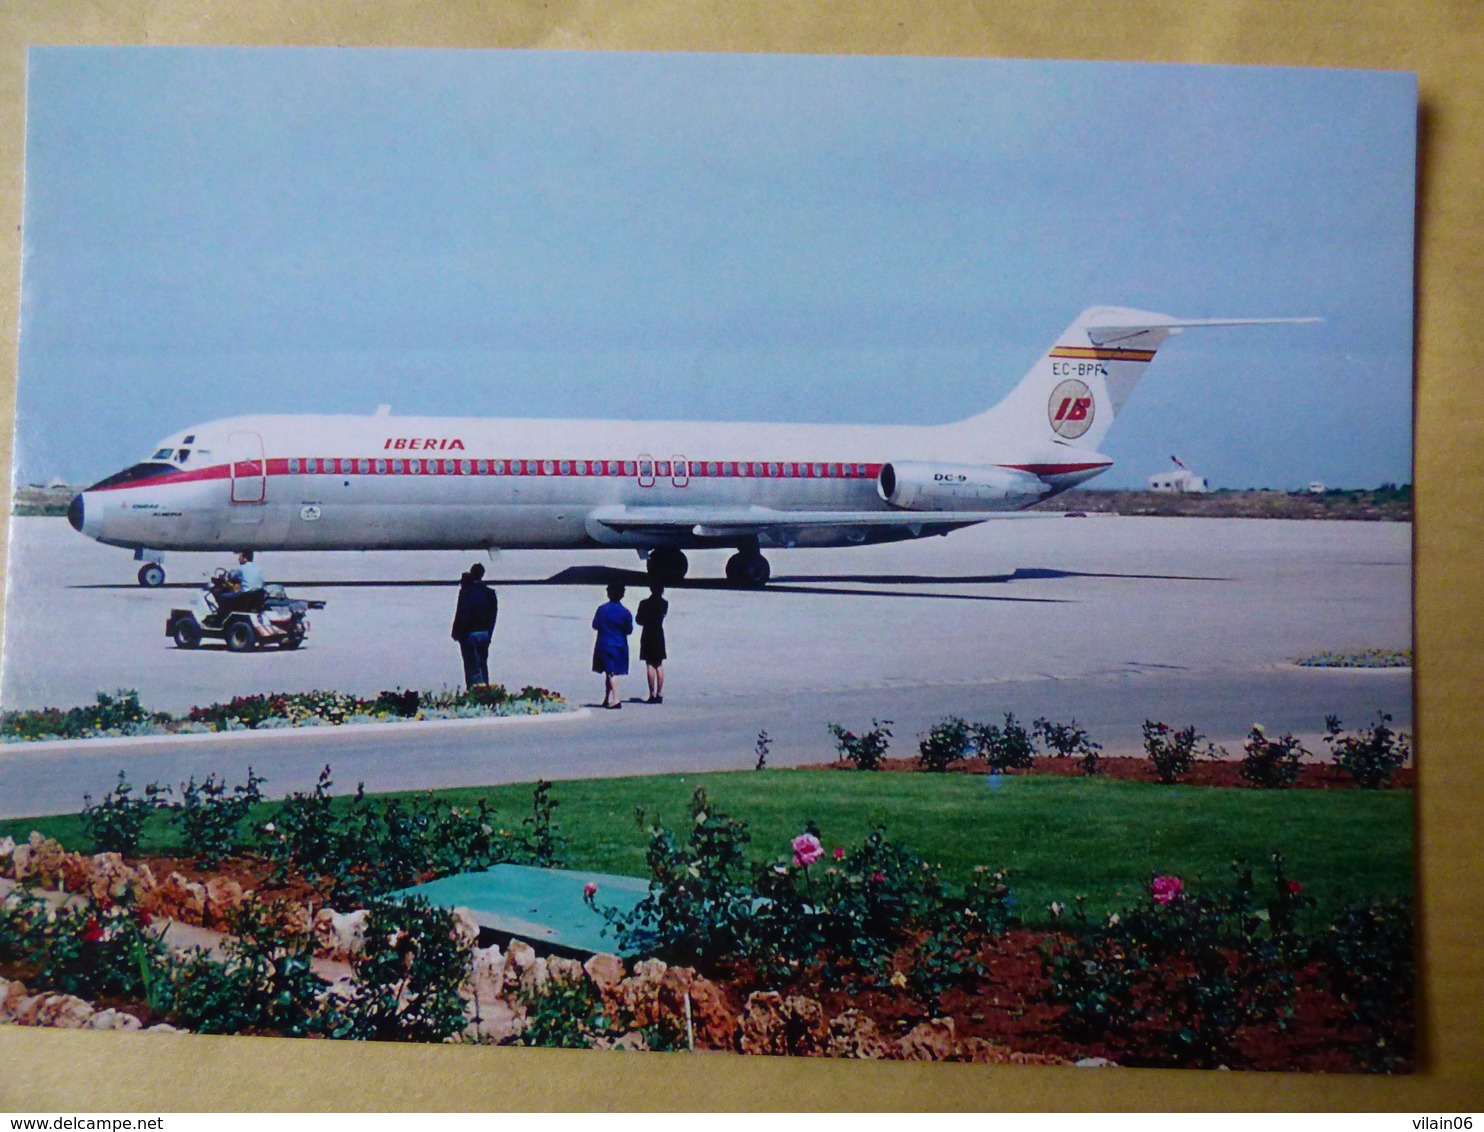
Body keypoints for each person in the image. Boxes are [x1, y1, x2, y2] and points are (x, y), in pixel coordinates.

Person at [450, 562, 498, 689]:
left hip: (469, 634)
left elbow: (461, 613)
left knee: (471, 667)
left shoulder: (466, 592)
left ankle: (474, 692)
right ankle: (486, 691)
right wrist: (489, 633)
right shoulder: (489, 593)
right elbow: (493, 616)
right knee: (482, 664)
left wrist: (457, 633)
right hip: (484, 633)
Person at [591, 582, 633, 709]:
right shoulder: (625, 612)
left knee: (610, 673)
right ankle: (606, 698)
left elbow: (595, 625)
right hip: (619, 645)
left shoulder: (602, 609)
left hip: (605, 644)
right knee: (609, 672)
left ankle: (616, 699)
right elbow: (629, 630)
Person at [636, 584, 669, 704]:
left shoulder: (644, 603)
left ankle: (652, 694)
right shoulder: (664, 604)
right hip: (658, 633)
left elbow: (639, 619)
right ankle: (659, 693)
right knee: (659, 664)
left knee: (650, 663)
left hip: (648, 633)